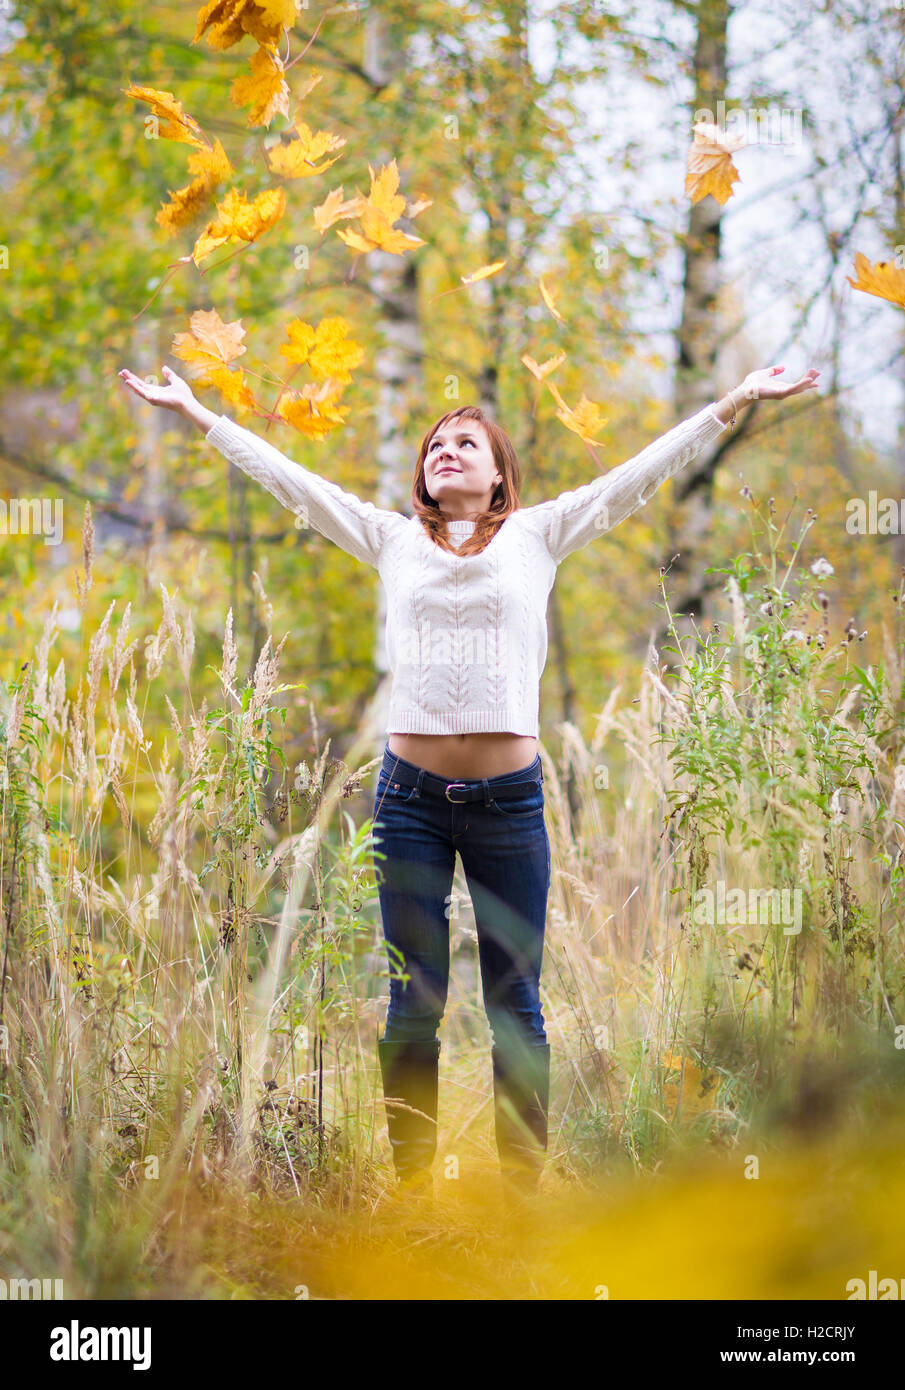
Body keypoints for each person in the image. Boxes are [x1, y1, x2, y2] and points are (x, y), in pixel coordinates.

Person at [118, 360, 820, 1199]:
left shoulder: (540, 534)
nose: (445, 452)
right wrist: (200, 415)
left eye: (466, 443)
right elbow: (293, 483)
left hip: (509, 806)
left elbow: (640, 475)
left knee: (514, 1004)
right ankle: (413, 1195)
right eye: (435, 445)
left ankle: (518, 1198)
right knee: (412, 1003)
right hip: (407, 801)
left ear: (497, 476)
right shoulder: (389, 539)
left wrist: (735, 400)